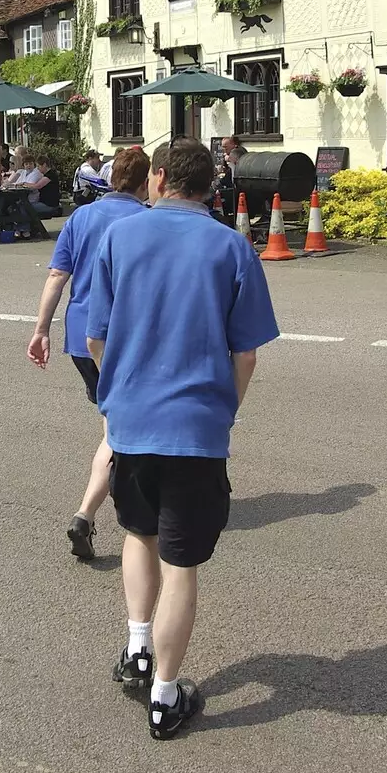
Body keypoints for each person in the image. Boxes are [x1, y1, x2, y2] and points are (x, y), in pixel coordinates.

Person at [82, 137, 279, 740]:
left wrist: (117, 396)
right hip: (196, 427)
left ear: (160, 179)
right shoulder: (232, 246)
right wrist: (226, 409)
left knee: (137, 536)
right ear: (210, 187)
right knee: (182, 564)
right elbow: (245, 352)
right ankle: (166, 695)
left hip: (132, 422)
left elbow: (96, 337)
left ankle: (137, 646)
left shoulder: (119, 237)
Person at [28, 147, 151, 559]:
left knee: (114, 419)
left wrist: (41, 329)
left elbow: (57, 275)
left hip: (81, 333)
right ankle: (87, 511)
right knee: (116, 429)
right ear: (146, 180)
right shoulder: (146, 220)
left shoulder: (81, 217)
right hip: (123, 335)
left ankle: (109, 501)